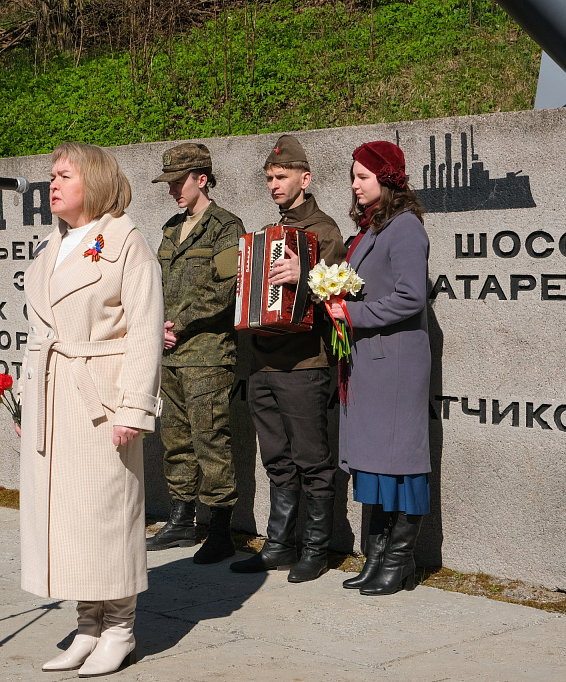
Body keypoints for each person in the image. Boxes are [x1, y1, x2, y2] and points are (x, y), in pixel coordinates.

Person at [15, 142, 163, 676]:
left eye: (63, 175)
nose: (51, 184)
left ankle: (120, 628)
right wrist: (27, 403)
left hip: (100, 400)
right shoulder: (51, 248)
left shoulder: (126, 242)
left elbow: (145, 331)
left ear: (94, 181)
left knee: (106, 517)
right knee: (70, 520)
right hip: (54, 402)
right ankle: (87, 626)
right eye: (50, 175)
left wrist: (133, 407)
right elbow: (40, 336)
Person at [229, 135, 347, 583]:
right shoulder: (266, 234)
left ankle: (315, 548)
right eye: (269, 178)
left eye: (281, 177)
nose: (274, 185)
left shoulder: (325, 231)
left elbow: (340, 295)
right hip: (262, 363)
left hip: (304, 364)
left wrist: (308, 276)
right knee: (276, 457)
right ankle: (278, 544)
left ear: (305, 177)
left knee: (312, 460)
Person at [330, 141, 431, 596]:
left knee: (401, 462)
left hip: (396, 365)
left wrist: (352, 314)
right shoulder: (370, 230)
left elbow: (412, 297)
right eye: (353, 177)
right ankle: (376, 558)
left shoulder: (406, 228)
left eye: (362, 177)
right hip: (369, 363)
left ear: (387, 179)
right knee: (374, 462)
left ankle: (400, 560)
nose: (354, 185)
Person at [148, 142, 245, 564]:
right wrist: (156, 326)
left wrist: (178, 325)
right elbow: (155, 286)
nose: (172, 190)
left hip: (207, 354)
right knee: (175, 441)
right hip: (169, 354)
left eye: (177, 182)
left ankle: (220, 529)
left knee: (211, 442)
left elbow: (224, 291)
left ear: (201, 179)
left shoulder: (226, 227)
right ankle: (182, 519)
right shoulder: (171, 228)